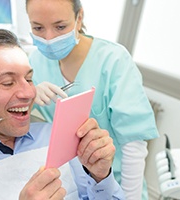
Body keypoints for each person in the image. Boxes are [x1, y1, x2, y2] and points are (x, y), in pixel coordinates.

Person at [0, 27, 125, 200]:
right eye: (8, 83)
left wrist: (100, 177)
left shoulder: (55, 135)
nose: (29, 93)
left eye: (28, 79)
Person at [25, 0, 159, 199]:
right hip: (70, 182)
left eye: (60, 26)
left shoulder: (113, 61)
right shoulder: (35, 61)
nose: (49, 37)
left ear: (79, 18)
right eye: (38, 27)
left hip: (116, 182)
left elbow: (134, 145)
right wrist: (31, 96)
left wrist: (130, 197)